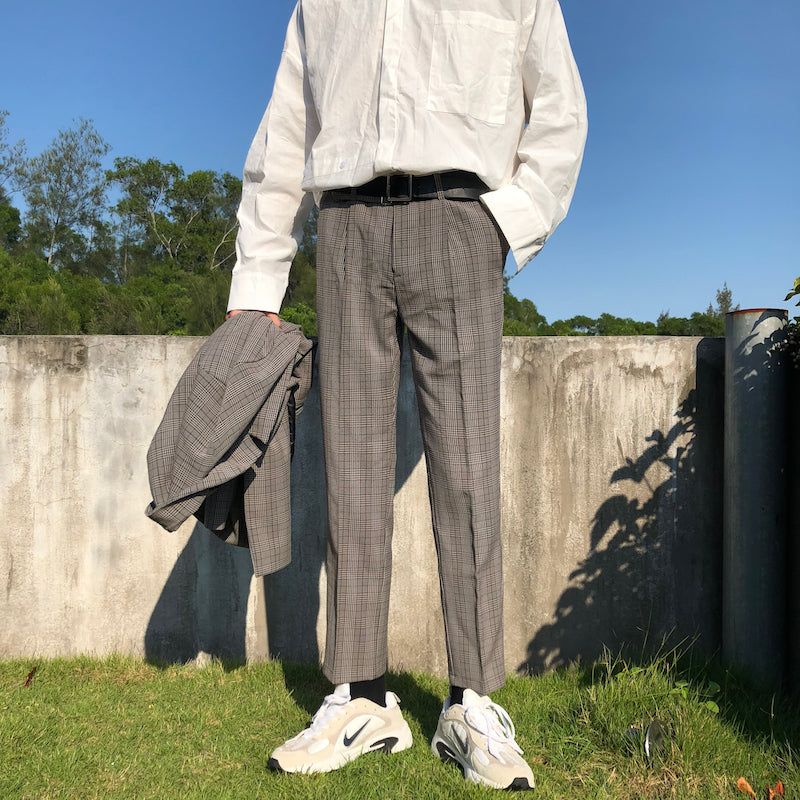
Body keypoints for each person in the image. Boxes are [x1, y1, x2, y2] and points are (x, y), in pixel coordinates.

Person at [226, 0, 587, 789]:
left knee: (466, 473)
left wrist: (506, 222)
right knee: (352, 475)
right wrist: (259, 279)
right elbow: (286, 129)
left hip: (463, 219)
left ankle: (473, 702)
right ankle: (360, 698)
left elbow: (558, 108)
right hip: (348, 224)